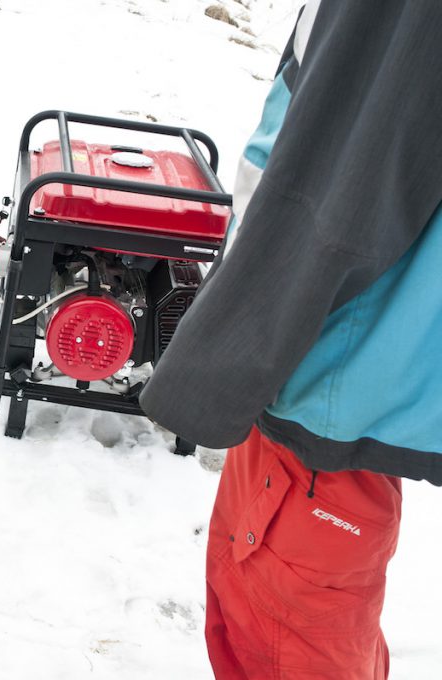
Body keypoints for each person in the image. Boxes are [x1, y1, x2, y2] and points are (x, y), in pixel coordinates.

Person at [140, 3, 442, 678]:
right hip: (336, 372)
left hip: (316, 368)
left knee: (283, 634)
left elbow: (344, 182)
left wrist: (221, 365)